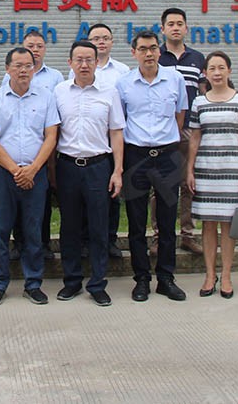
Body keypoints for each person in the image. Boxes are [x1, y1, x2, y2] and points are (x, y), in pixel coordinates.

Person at [0, 47, 60, 306]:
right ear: (8, 69)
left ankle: (33, 283)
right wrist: (17, 171)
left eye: (28, 65)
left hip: (36, 173)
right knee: (1, 230)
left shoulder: (46, 98)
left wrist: (33, 169)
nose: (24, 70)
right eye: (18, 65)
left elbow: (51, 137)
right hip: (4, 175)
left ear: (34, 69)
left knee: (33, 230)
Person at [116, 30, 189, 302]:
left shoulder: (175, 79)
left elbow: (180, 116)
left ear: (160, 51)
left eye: (153, 48)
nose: (149, 53)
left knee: (167, 221)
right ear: (134, 53)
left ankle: (166, 278)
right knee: (137, 222)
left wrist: (166, 141)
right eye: (143, 49)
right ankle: (142, 279)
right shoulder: (123, 84)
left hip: (168, 156)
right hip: (136, 156)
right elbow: (120, 120)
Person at [54, 41, 125, 307]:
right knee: (69, 226)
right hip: (67, 166)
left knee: (98, 227)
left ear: (97, 62)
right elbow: (53, 132)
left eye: (89, 60)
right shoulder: (59, 91)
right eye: (79, 60)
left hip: (98, 166)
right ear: (70, 63)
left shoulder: (109, 92)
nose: (84, 65)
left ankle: (97, 283)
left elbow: (116, 132)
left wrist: (117, 170)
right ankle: (72, 281)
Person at [184, 51, 238, 299]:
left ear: (229, 71)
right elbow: (195, 138)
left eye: (221, 68)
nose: (216, 73)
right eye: (212, 68)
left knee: (228, 223)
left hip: (232, 170)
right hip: (205, 170)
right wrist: (190, 169)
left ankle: (226, 276)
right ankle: (209, 275)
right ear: (205, 73)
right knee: (208, 224)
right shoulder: (199, 102)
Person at [4, 29, 63, 261]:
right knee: (17, 200)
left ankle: (43, 243)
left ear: (45, 49)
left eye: (39, 46)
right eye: (31, 46)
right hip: (17, 145)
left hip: (44, 145)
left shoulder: (55, 77)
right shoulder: (9, 77)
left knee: (42, 198)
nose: (35, 50)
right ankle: (19, 243)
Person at [74, 23, 131, 258]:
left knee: (111, 194)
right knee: (84, 199)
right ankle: (84, 240)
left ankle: (110, 239)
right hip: (87, 138)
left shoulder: (123, 71)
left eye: (105, 38)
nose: (101, 42)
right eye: (96, 38)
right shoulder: (77, 70)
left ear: (111, 42)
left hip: (111, 136)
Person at [158, 7, 206, 256]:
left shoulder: (197, 58)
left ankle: (188, 234)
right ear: (162, 28)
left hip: (189, 129)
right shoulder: (156, 56)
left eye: (180, 23)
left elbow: (204, 92)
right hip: (162, 132)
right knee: (160, 186)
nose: (175, 28)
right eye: (171, 24)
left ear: (186, 28)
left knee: (188, 183)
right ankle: (158, 236)